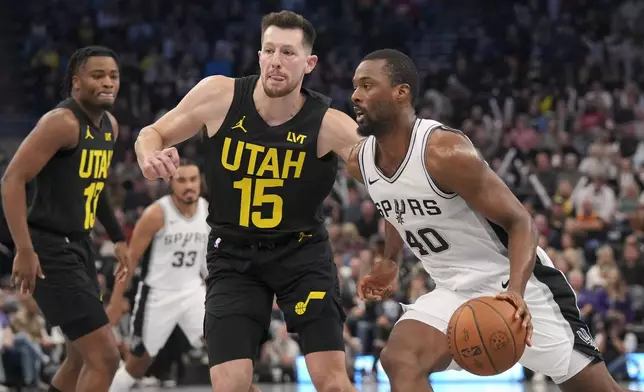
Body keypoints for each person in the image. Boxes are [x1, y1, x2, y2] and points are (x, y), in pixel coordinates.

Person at [346, 48, 631, 392]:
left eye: (366, 86)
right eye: (354, 87)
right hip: (452, 288)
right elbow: (394, 200)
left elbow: (522, 222)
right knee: (400, 360)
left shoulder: (444, 152)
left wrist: (515, 292)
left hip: (515, 287)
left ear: (400, 92)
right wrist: (390, 259)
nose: (355, 96)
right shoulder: (363, 161)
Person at [134, 10, 363, 392]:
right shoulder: (219, 96)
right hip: (233, 255)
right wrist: (147, 156)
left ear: (309, 63)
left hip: (302, 255)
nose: (276, 61)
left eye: (288, 53)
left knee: (332, 382)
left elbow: (390, 176)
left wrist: (390, 256)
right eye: (269, 50)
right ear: (258, 56)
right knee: (230, 384)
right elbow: (153, 132)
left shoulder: (328, 123)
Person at [1, 46, 128, 392]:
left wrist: (118, 237)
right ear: (76, 82)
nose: (107, 82)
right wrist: (24, 249)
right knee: (105, 357)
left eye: (113, 75)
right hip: (50, 249)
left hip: (80, 246)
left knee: (78, 359)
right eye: (97, 75)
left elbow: (95, 185)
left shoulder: (109, 127)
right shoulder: (62, 123)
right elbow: (12, 179)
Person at [108, 160, 209, 391]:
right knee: (138, 363)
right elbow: (130, 260)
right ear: (171, 182)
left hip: (193, 291)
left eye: (193, 179)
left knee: (224, 347)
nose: (189, 185)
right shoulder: (157, 213)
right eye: (182, 180)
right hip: (157, 295)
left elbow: (207, 262)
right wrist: (115, 301)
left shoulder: (206, 210)